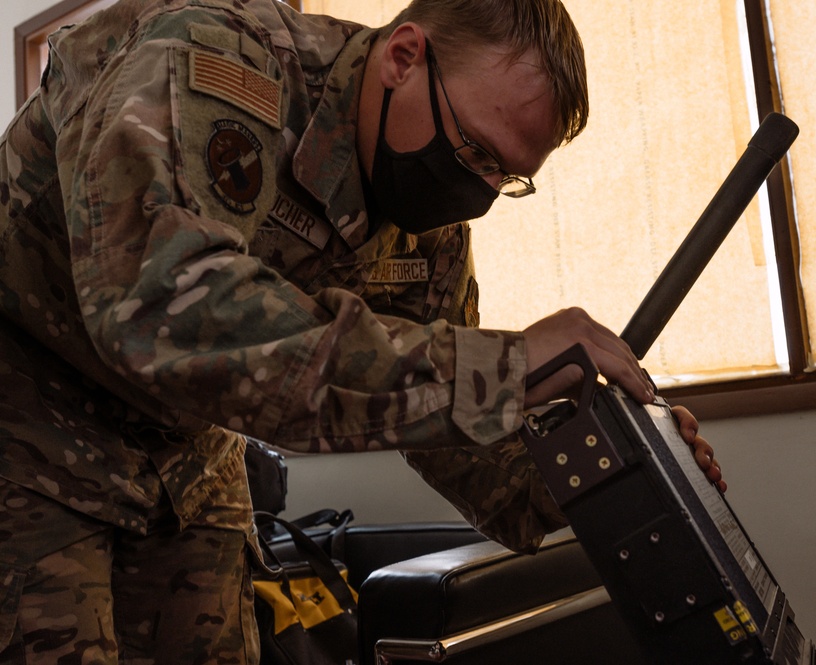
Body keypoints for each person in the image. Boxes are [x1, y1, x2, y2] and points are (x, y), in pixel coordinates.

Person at [0, 0, 724, 662]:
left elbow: (444, 425)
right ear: (403, 57)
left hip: (185, 454)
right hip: (28, 411)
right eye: (473, 151)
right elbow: (165, 307)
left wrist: (605, 469)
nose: (473, 194)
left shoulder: (425, 227)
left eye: (503, 178)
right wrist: (501, 365)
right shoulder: (216, 62)